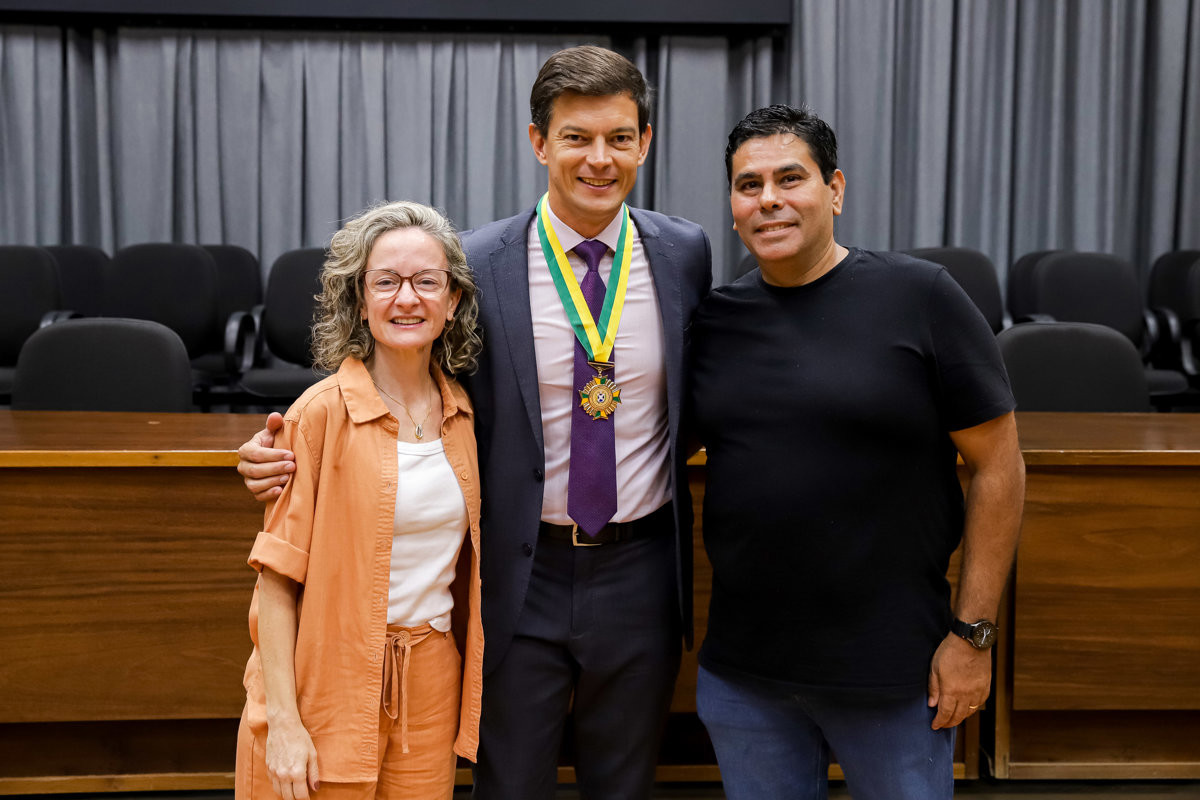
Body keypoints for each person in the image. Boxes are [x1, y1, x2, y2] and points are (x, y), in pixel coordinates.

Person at [236, 46, 712, 800]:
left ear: (645, 143)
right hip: (520, 574)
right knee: (509, 783)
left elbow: (691, 401)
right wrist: (281, 448)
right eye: (576, 137)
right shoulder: (482, 263)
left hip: (640, 569)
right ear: (538, 142)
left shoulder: (685, 253)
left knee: (624, 785)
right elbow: (403, 381)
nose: (599, 158)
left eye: (620, 138)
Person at [689, 104, 1025, 800]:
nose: (769, 200)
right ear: (731, 204)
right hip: (745, 674)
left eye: (791, 178)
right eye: (749, 185)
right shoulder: (716, 320)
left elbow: (999, 467)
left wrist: (973, 638)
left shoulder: (921, 297)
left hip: (896, 673)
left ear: (835, 189)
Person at [234, 201, 484, 800]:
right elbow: (275, 582)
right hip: (326, 682)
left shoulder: (466, 416)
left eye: (428, 281)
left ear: (452, 301)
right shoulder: (318, 414)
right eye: (387, 281)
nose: (408, 298)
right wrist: (286, 724)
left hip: (427, 688)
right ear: (359, 298)